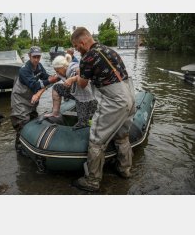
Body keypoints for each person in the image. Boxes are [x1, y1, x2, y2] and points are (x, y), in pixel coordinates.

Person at [70, 27, 136, 192]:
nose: (77, 51)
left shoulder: (87, 58)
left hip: (114, 101)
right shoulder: (109, 50)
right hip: (130, 95)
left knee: (96, 140)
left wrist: (79, 73)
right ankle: (125, 170)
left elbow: (82, 84)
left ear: (83, 42)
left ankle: (92, 181)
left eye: (77, 47)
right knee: (122, 136)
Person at [10, 46, 59, 146]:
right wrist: (50, 80)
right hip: (20, 99)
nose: (36, 59)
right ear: (29, 56)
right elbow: (34, 85)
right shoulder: (24, 70)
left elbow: (46, 77)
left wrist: (54, 76)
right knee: (22, 124)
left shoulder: (39, 66)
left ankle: (31, 143)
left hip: (31, 99)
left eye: (38, 57)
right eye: (34, 57)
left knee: (33, 120)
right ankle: (19, 147)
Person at [44, 55, 97, 129]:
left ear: (63, 67)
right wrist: (39, 92)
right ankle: (55, 113)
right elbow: (52, 81)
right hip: (75, 93)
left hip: (86, 98)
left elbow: (83, 75)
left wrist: (72, 79)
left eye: (57, 70)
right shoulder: (61, 72)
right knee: (56, 87)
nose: (57, 73)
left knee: (83, 123)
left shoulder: (74, 67)